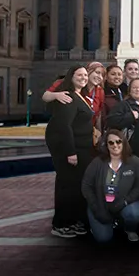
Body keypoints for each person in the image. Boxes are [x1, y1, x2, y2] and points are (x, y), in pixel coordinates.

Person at [46, 64, 96, 238]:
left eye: (84, 75)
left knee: (76, 187)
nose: (83, 77)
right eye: (79, 75)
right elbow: (64, 126)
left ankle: (72, 221)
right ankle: (60, 224)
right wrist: (70, 152)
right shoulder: (67, 96)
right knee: (66, 187)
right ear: (71, 76)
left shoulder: (80, 95)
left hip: (82, 147)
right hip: (70, 149)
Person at [82, 130, 139, 244]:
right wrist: (96, 208)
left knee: (134, 214)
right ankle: (103, 224)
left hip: (124, 203)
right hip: (100, 204)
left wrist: (126, 202)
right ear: (106, 145)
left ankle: (128, 228)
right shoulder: (97, 162)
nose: (115, 145)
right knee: (103, 238)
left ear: (124, 143)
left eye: (118, 141)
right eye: (111, 143)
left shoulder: (134, 161)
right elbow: (86, 186)